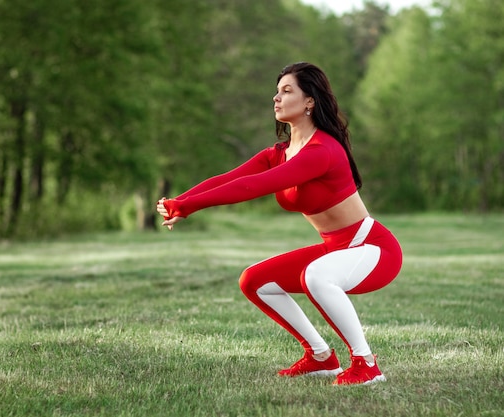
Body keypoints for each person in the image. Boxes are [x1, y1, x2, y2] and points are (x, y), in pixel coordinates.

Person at [156, 62, 402, 386]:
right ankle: (319, 357)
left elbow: (253, 187)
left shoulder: (322, 151)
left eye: (287, 91)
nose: (276, 98)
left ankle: (366, 364)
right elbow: (232, 178)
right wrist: (180, 201)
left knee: (316, 275)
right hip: (336, 248)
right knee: (254, 281)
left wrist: (190, 206)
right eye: (277, 91)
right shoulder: (281, 152)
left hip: (373, 249)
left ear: (309, 101)